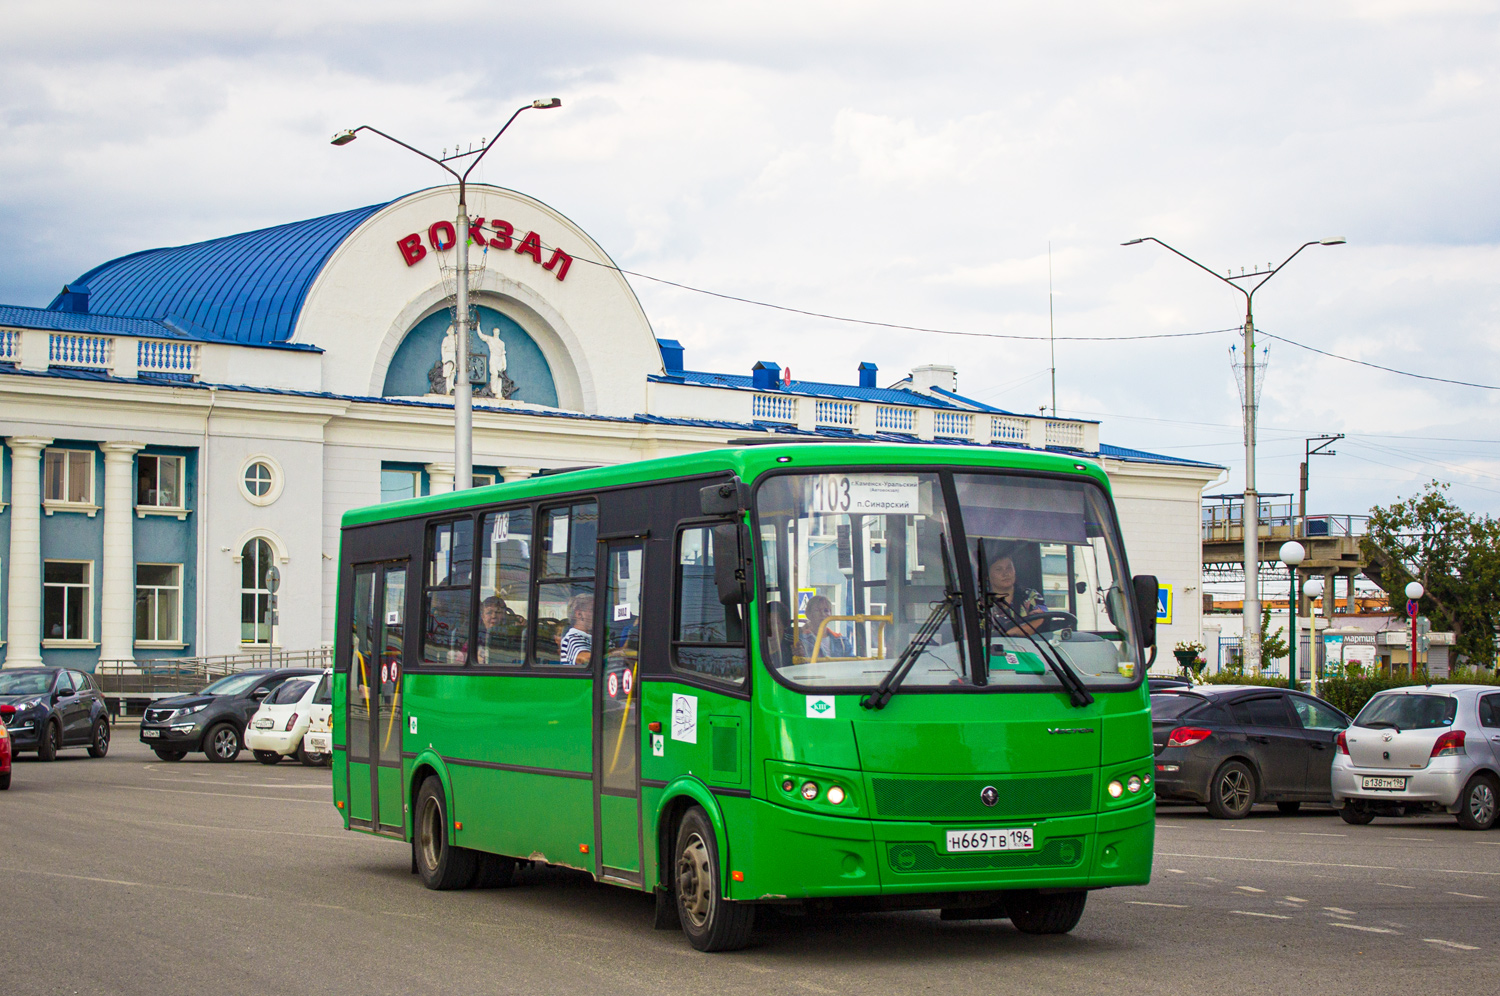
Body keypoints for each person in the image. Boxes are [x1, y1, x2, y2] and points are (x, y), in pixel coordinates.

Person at [986, 549, 1045, 636]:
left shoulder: (1030, 595)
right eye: (999, 569)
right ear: (988, 576)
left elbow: (1040, 619)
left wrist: (1010, 634)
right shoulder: (982, 604)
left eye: (1009, 568)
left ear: (1015, 571)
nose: (1006, 573)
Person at [799, 595, 852, 660]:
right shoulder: (801, 640)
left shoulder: (842, 641)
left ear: (831, 615)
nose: (822, 614)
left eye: (826, 610)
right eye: (817, 610)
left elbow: (852, 663)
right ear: (808, 614)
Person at [478, 594, 524, 664]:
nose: (494, 616)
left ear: (505, 615)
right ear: (482, 617)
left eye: (498, 612)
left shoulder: (514, 636)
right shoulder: (475, 638)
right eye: (489, 612)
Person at [559, 592, 594, 666]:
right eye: (592, 610)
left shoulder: (596, 637)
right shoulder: (572, 638)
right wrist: (613, 654)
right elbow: (583, 659)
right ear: (579, 614)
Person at [765, 601, 795, 666]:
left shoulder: (793, 645)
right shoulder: (756, 645)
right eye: (767, 624)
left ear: (784, 625)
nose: (770, 628)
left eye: (775, 624)